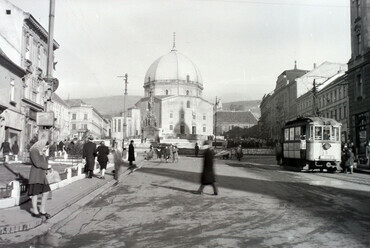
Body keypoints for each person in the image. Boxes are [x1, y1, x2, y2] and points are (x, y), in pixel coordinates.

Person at [28, 139, 51, 219]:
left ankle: (42, 210)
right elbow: (37, 163)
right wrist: (47, 166)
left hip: (42, 175)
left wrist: (46, 156)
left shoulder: (41, 151)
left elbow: (45, 162)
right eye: (46, 147)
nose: (46, 149)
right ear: (42, 144)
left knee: (46, 191)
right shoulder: (34, 151)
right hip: (36, 175)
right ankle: (35, 211)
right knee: (35, 193)